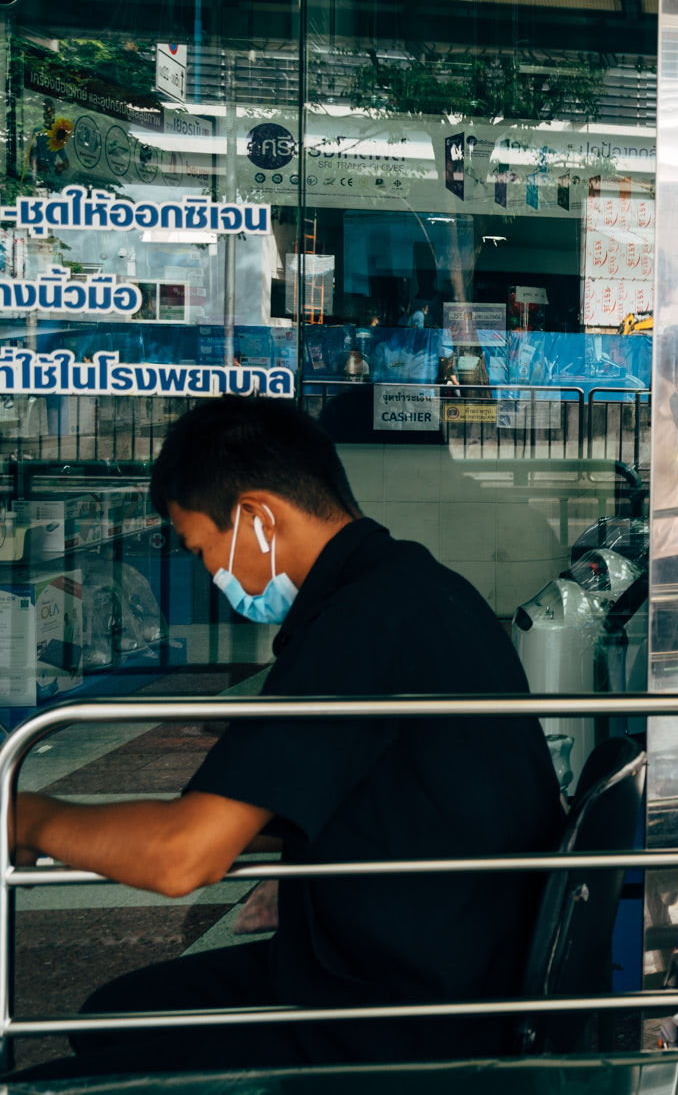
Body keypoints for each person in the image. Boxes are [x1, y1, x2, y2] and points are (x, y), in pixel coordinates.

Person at [8, 397, 565, 1078]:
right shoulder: (413, 588)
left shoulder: (357, 628)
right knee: (117, 1012)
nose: (213, 576)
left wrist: (26, 817)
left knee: (59, 1077)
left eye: (201, 550)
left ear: (255, 517)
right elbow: (347, 802)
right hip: (435, 964)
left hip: (398, 1015)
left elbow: (184, 857)